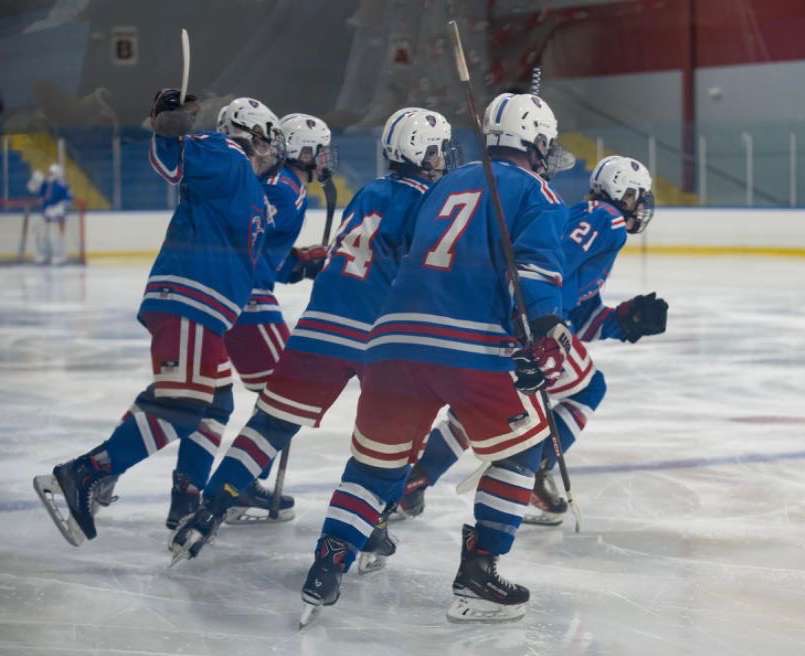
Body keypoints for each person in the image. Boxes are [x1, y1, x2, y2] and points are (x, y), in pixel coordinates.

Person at [299, 93, 572, 625]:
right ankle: (478, 575)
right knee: (523, 449)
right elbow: (536, 275)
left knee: (373, 467)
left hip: (392, 343)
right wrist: (545, 331)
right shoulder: (535, 191)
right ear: (536, 142)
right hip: (469, 345)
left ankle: (325, 568)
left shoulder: (443, 183)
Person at [169, 107, 455, 564]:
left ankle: (210, 510)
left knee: (269, 425)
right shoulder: (431, 200)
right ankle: (373, 521)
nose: (444, 158)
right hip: (378, 336)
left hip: (318, 324)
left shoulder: (370, 191)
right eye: (439, 149)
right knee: (393, 437)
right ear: (424, 152)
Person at [32, 90, 282, 547]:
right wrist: (169, 121)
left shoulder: (247, 187)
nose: (271, 153)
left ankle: (179, 496)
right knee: (183, 406)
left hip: (205, 307)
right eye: (267, 142)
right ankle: (86, 473)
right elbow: (173, 157)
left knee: (210, 404)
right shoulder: (226, 153)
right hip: (192, 297)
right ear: (250, 138)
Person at [396, 155, 668, 526]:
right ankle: (538, 470)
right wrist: (538, 321)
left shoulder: (592, 220)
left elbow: (583, 315)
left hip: (505, 321)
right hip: (526, 327)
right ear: (624, 191)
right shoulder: (607, 218)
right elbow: (553, 265)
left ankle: (414, 482)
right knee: (588, 389)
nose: (642, 205)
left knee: (473, 407)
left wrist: (624, 321)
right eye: (638, 196)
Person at [164, 107, 335, 530]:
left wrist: (296, 263)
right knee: (287, 396)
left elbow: (263, 250)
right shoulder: (284, 189)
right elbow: (250, 244)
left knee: (215, 400)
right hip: (250, 303)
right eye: (320, 150)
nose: (325, 159)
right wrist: (294, 264)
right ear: (302, 149)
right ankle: (237, 482)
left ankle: (187, 495)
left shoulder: (284, 185)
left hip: (239, 298)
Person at [27, 163, 72, 265]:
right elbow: (33, 190)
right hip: (45, 214)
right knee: (40, 234)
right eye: (49, 173)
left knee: (55, 236)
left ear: (57, 174)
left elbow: (68, 200)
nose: (49, 174)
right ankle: (43, 254)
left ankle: (59, 256)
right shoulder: (46, 184)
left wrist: (58, 209)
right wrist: (35, 181)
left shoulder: (63, 186)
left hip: (57, 216)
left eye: (51, 173)